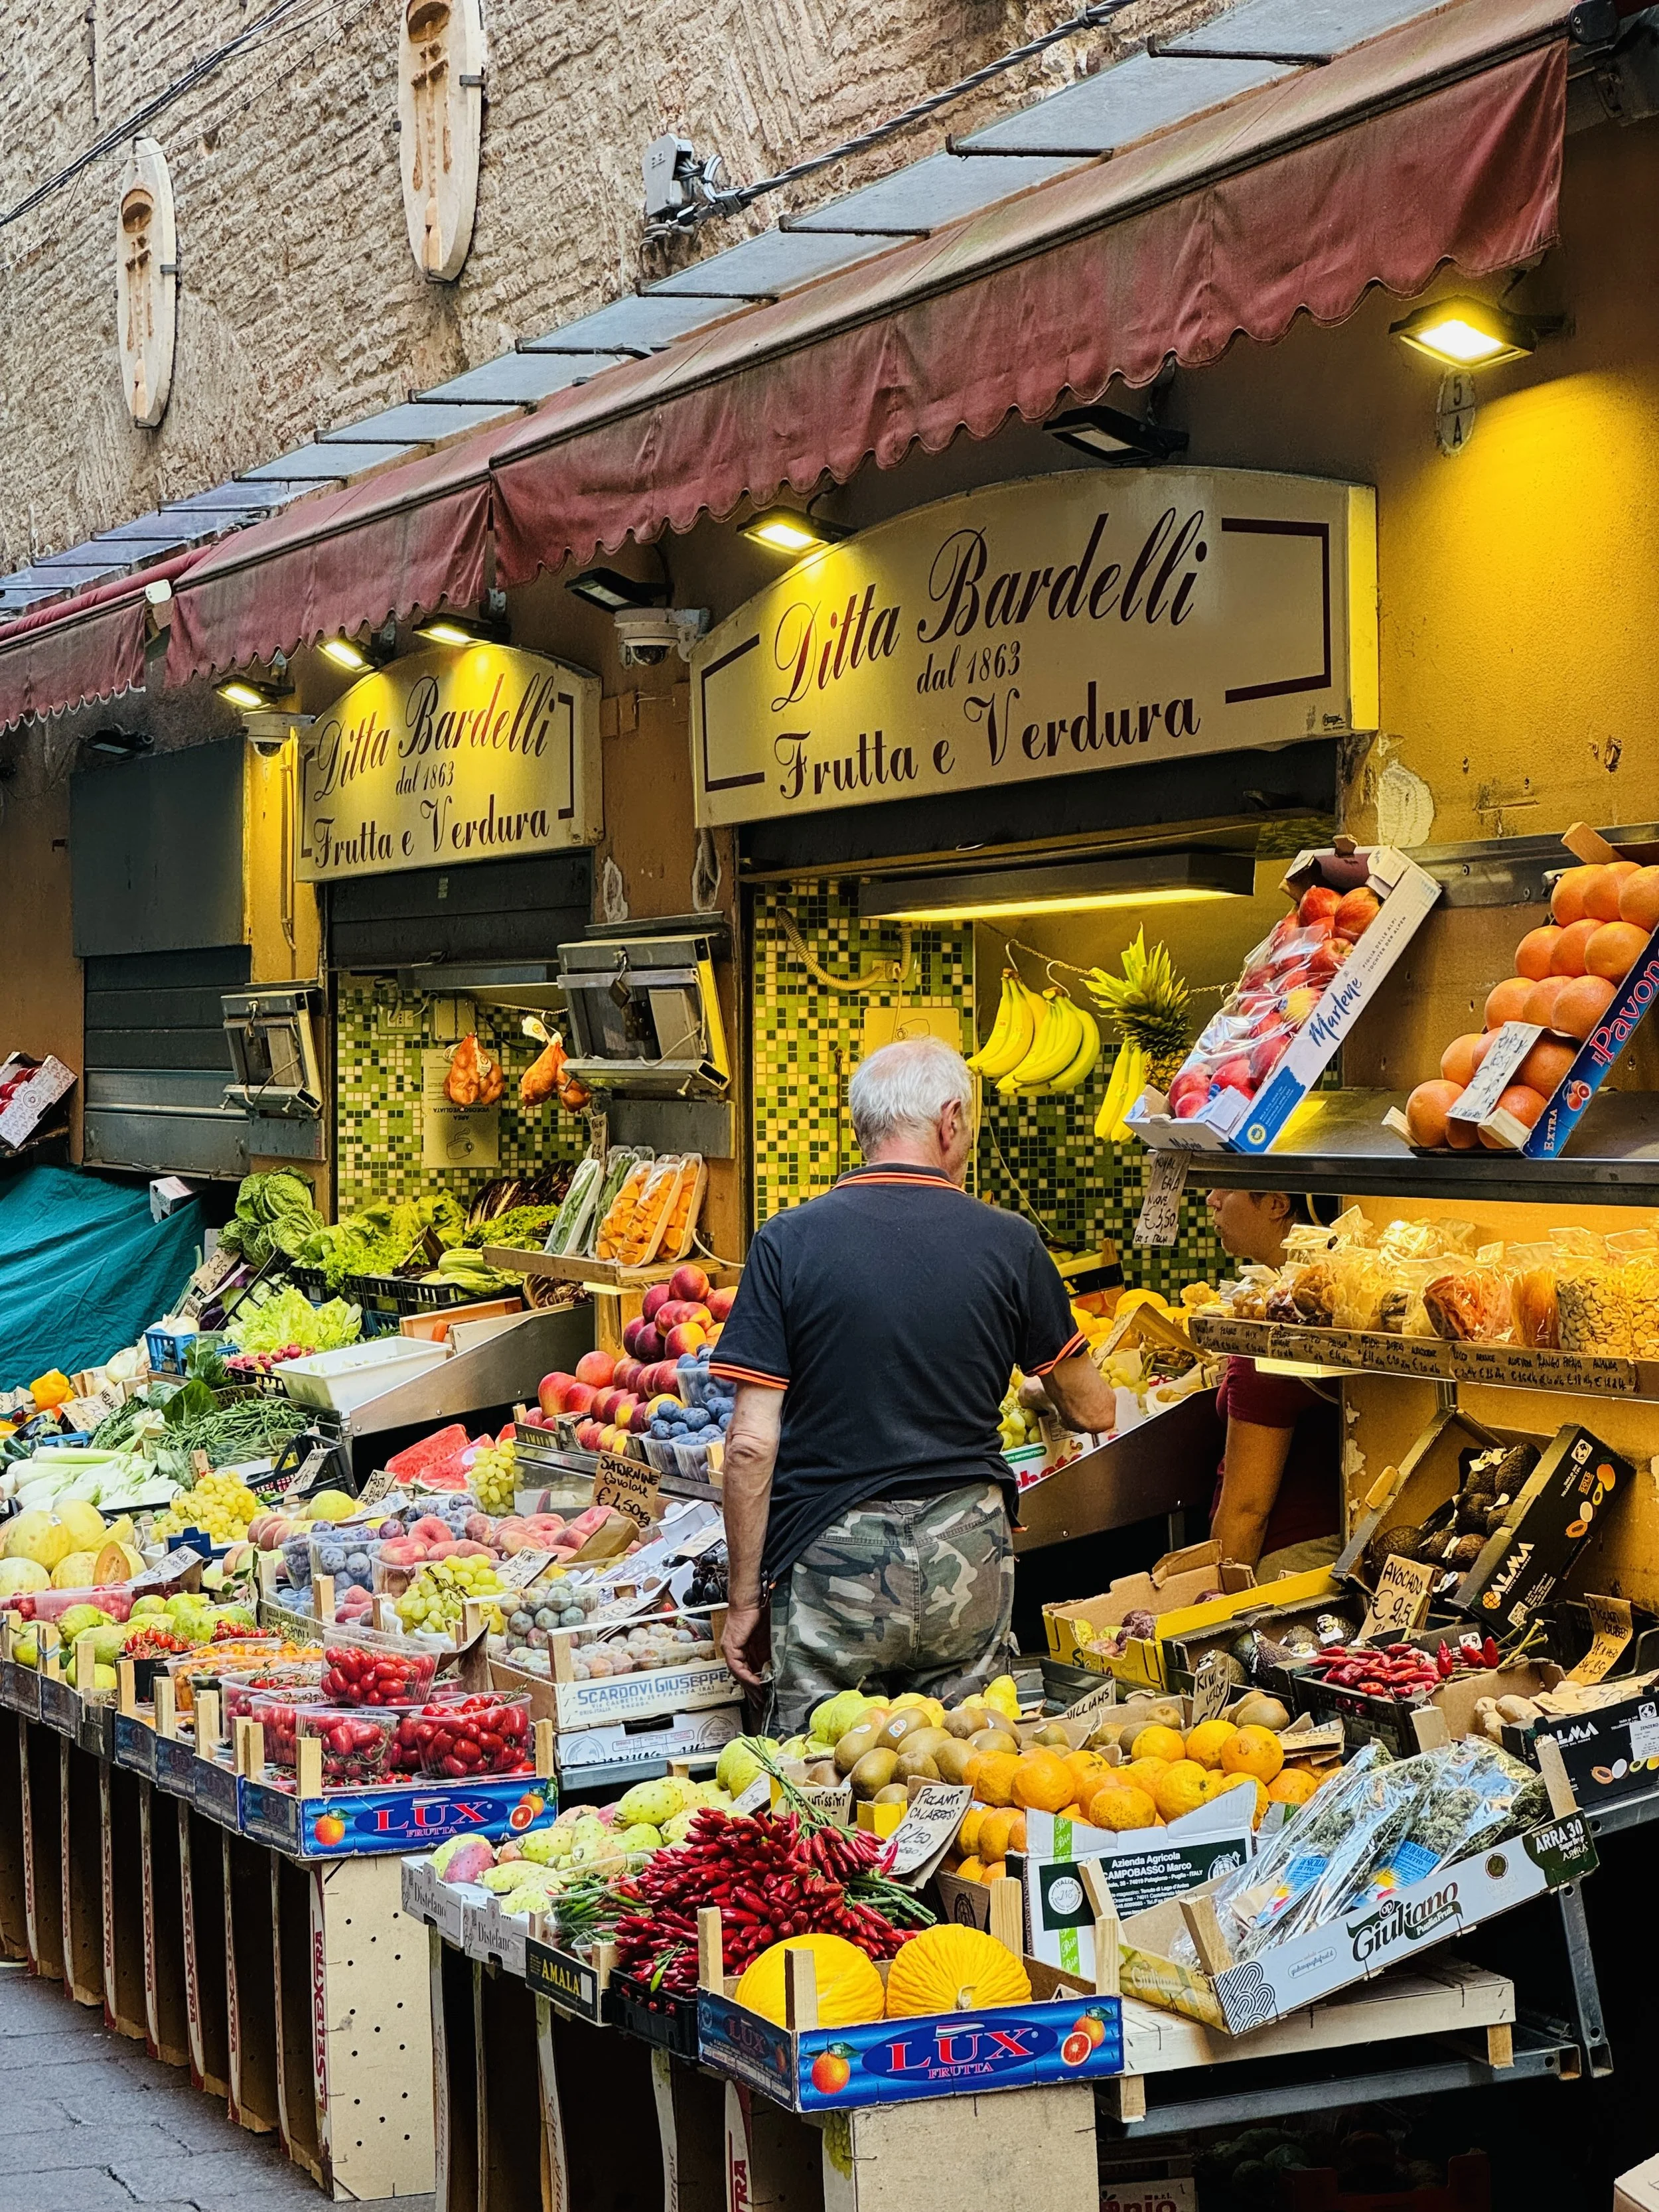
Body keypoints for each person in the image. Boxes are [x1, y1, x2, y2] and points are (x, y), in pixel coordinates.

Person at [712, 1036, 1121, 1733]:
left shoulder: (787, 1241)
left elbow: (750, 1446)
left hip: (831, 1552)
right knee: (961, 1767)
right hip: (966, 1549)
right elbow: (1091, 1409)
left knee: (821, 1772)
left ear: (861, 1126)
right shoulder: (1010, 1242)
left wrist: (744, 1598)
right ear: (951, 1119)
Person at [1206, 1187, 1341, 1576]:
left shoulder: (1275, 1337)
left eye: (1227, 1189)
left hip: (1282, 1562)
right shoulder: (1316, 1303)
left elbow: (1246, 1511)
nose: (1211, 1199)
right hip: (1323, 1549)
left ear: (1277, 1204)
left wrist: (1214, 1605)